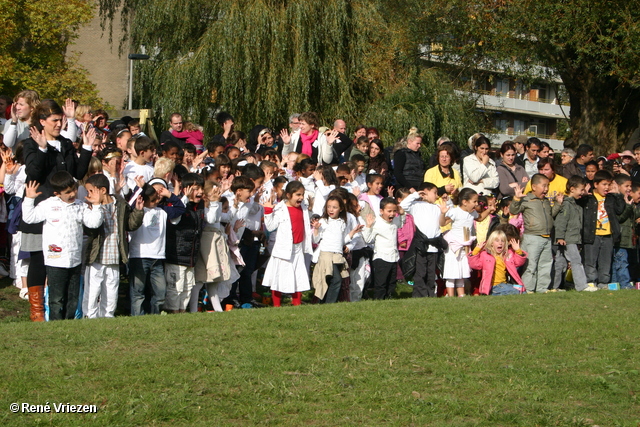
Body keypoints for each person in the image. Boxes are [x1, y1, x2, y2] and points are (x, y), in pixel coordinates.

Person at [22, 172, 104, 320]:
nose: (73, 194)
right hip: (55, 261)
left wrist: (97, 205)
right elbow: (29, 218)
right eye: (67, 192)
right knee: (56, 298)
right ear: (57, 193)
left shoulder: (80, 205)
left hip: (74, 260)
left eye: (74, 189)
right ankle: (55, 324)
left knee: (72, 298)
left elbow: (93, 222)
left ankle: (69, 324)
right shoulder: (48, 205)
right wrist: (29, 199)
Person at [83, 174, 144, 318]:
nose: (88, 195)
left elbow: (129, 224)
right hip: (96, 257)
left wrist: (138, 212)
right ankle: (89, 318)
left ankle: (108, 318)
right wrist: (96, 206)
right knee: (92, 292)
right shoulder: (90, 206)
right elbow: (90, 228)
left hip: (114, 256)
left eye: (91, 191)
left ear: (102, 190)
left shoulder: (120, 203)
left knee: (111, 293)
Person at [129, 180, 186, 315]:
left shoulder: (162, 211)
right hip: (139, 256)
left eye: (159, 195)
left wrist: (170, 194)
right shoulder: (138, 209)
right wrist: (140, 187)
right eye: (154, 197)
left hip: (158, 258)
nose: (157, 200)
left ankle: (155, 317)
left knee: (160, 293)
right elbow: (129, 204)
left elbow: (180, 209)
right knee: (138, 293)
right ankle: (137, 318)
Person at [164, 173, 212, 313]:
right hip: (176, 256)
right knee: (175, 288)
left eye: (201, 188)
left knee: (188, 286)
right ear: (186, 189)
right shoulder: (179, 204)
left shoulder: (200, 206)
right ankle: (173, 312)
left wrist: (214, 200)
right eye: (196, 188)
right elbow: (174, 220)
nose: (200, 192)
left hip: (191, 256)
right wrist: (183, 199)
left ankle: (182, 311)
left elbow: (212, 218)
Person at [262, 181, 312, 306]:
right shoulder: (280, 208)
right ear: (289, 195)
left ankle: (297, 302)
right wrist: (268, 211)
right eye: (298, 195)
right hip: (284, 249)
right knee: (278, 277)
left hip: (298, 248)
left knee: (297, 276)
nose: (301, 197)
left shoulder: (303, 208)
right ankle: (277, 304)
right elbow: (270, 226)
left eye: (302, 194)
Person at [510, 174, 561, 293]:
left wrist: (558, 204)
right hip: (532, 238)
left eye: (548, 186)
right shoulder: (527, 199)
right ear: (534, 186)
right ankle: (528, 289)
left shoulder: (546, 201)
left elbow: (550, 215)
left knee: (545, 265)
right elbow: (514, 210)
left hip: (546, 237)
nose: (546, 189)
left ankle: (542, 288)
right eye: (544, 186)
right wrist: (516, 199)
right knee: (530, 266)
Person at [580, 170, 625, 288]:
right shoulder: (589, 198)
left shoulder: (611, 198)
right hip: (591, 234)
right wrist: (583, 195)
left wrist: (618, 194)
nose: (607, 187)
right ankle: (591, 282)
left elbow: (620, 209)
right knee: (590, 260)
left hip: (608, 235)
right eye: (604, 184)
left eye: (609, 184)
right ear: (596, 184)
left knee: (605, 261)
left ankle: (603, 282)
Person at [312, 195, 360, 303]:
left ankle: (324, 303)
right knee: (335, 280)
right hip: (326, 256)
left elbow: (341, 241)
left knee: (330, 281)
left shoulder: (342, 223)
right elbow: (316, 240)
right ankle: (328, 304)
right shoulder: (324, 221)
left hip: (337, 256)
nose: (331, 210)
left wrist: (353, 232)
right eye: (329, 207)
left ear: (341, 209)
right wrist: (316, 229)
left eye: (334, 207)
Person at [399, 183, 443, 297]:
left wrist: (447, 202)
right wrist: (415, 195)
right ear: (425, 192)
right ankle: (419, 294)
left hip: (433, 246)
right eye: (435, 193)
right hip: (421, 245)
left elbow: (448, 213)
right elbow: (402, 206)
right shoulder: (416, 205)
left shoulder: (437, 207)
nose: (436, 196)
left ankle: (430, 293)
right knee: (420, 272)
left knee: (431, 273)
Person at [440, 188, 486, 297]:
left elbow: (480, 218)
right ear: (465, 202)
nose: (476, 204)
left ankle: (461, 294)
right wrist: (442, 214)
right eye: (474, 201)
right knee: (452, 272)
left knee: (461, 271)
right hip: (453, 246)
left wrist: (489, 210)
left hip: (465, 246)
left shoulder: (473, 213)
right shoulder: (455, 211)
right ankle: (451, 296)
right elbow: (443, 223)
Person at [552, 176, 594, 292]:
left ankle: (555, 286)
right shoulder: (566, 204)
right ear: (572, 189)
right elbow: (561, 222)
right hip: (567, 239)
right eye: (581, 190)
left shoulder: (575, 204)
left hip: (573, 239)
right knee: (576, 261)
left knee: (561, 262)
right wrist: (560, 237)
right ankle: (581, 286)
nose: (582, 192)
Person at [362, 197, 404, 300]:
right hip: (381, 257)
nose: (392, 214)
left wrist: (402, 213)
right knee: (381, 282)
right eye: (389, 211)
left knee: (391, 282)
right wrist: (368, 226)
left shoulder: (394, 221)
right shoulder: (377, 223)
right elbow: (368, 239)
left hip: (393, 257)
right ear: (381, 211)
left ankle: (389, 299)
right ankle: (378, 300)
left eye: (394, 211)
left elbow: (401, 223)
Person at [468, 230, 527, 295]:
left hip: (504, 284)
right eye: (497, 241)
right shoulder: (485, 255)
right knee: (519, 291)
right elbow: (475, 265)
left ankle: (498, 294)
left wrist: (518, 250)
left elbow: (518, 263)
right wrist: (476, 251)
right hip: (492, 286)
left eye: (502, 241)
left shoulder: (507, 255)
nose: (500, 243)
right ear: (491, 243)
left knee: (521, 290)